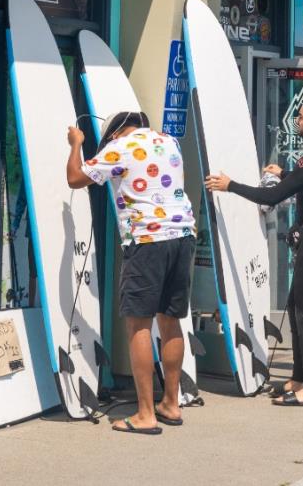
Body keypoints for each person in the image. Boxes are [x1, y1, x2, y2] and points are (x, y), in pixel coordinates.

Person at [204, 94, 303, 408]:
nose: (298, 120)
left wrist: (231, 186)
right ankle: (298, 378)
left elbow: (276, 196)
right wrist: (284, 173)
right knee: (296, 310)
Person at [65, 111, 196, 435]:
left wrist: (76, 145)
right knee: (170, 320)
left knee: (138, 323)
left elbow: (76, 178)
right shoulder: (170, 142)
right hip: (182, 237)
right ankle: (171, 403)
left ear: (115, 133)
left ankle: (145, 414)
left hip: (147, 240)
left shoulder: (121, 146)